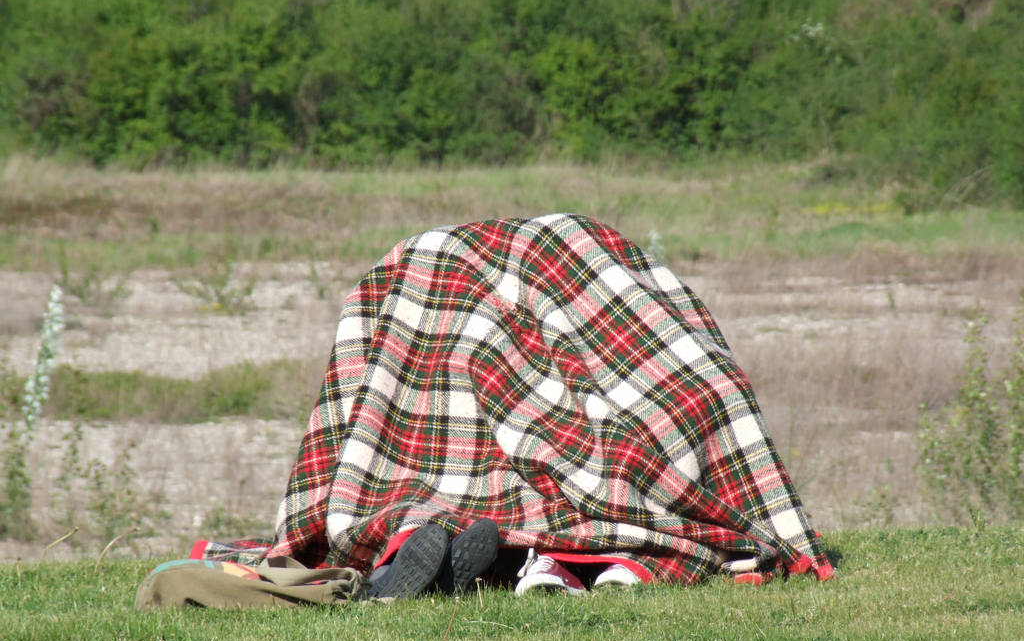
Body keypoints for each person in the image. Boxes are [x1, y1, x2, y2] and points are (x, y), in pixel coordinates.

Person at [194, 214, 833, 596]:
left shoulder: (442, 289)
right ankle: (406, 576)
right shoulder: (618, 332)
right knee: (554, 492)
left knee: (435, 513)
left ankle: (402, 570)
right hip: (590, 460)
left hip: (454, 480)